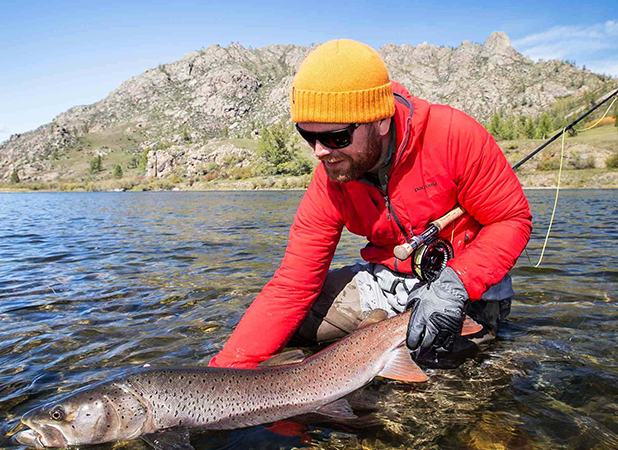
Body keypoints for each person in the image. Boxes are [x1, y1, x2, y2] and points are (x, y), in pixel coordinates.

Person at [209, 39, 532, 369]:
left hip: (465, 287)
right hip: (383, 280)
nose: (319, 151)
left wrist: (456, 282)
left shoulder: (454, 136)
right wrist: (226, 373)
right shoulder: (332, 176)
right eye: (308, 136)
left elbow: (511, 220)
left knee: (425, 383)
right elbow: (294, 283)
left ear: (380, 121)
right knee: (280, 332)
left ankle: (380, 343)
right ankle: (372, 335)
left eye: (336, 137)